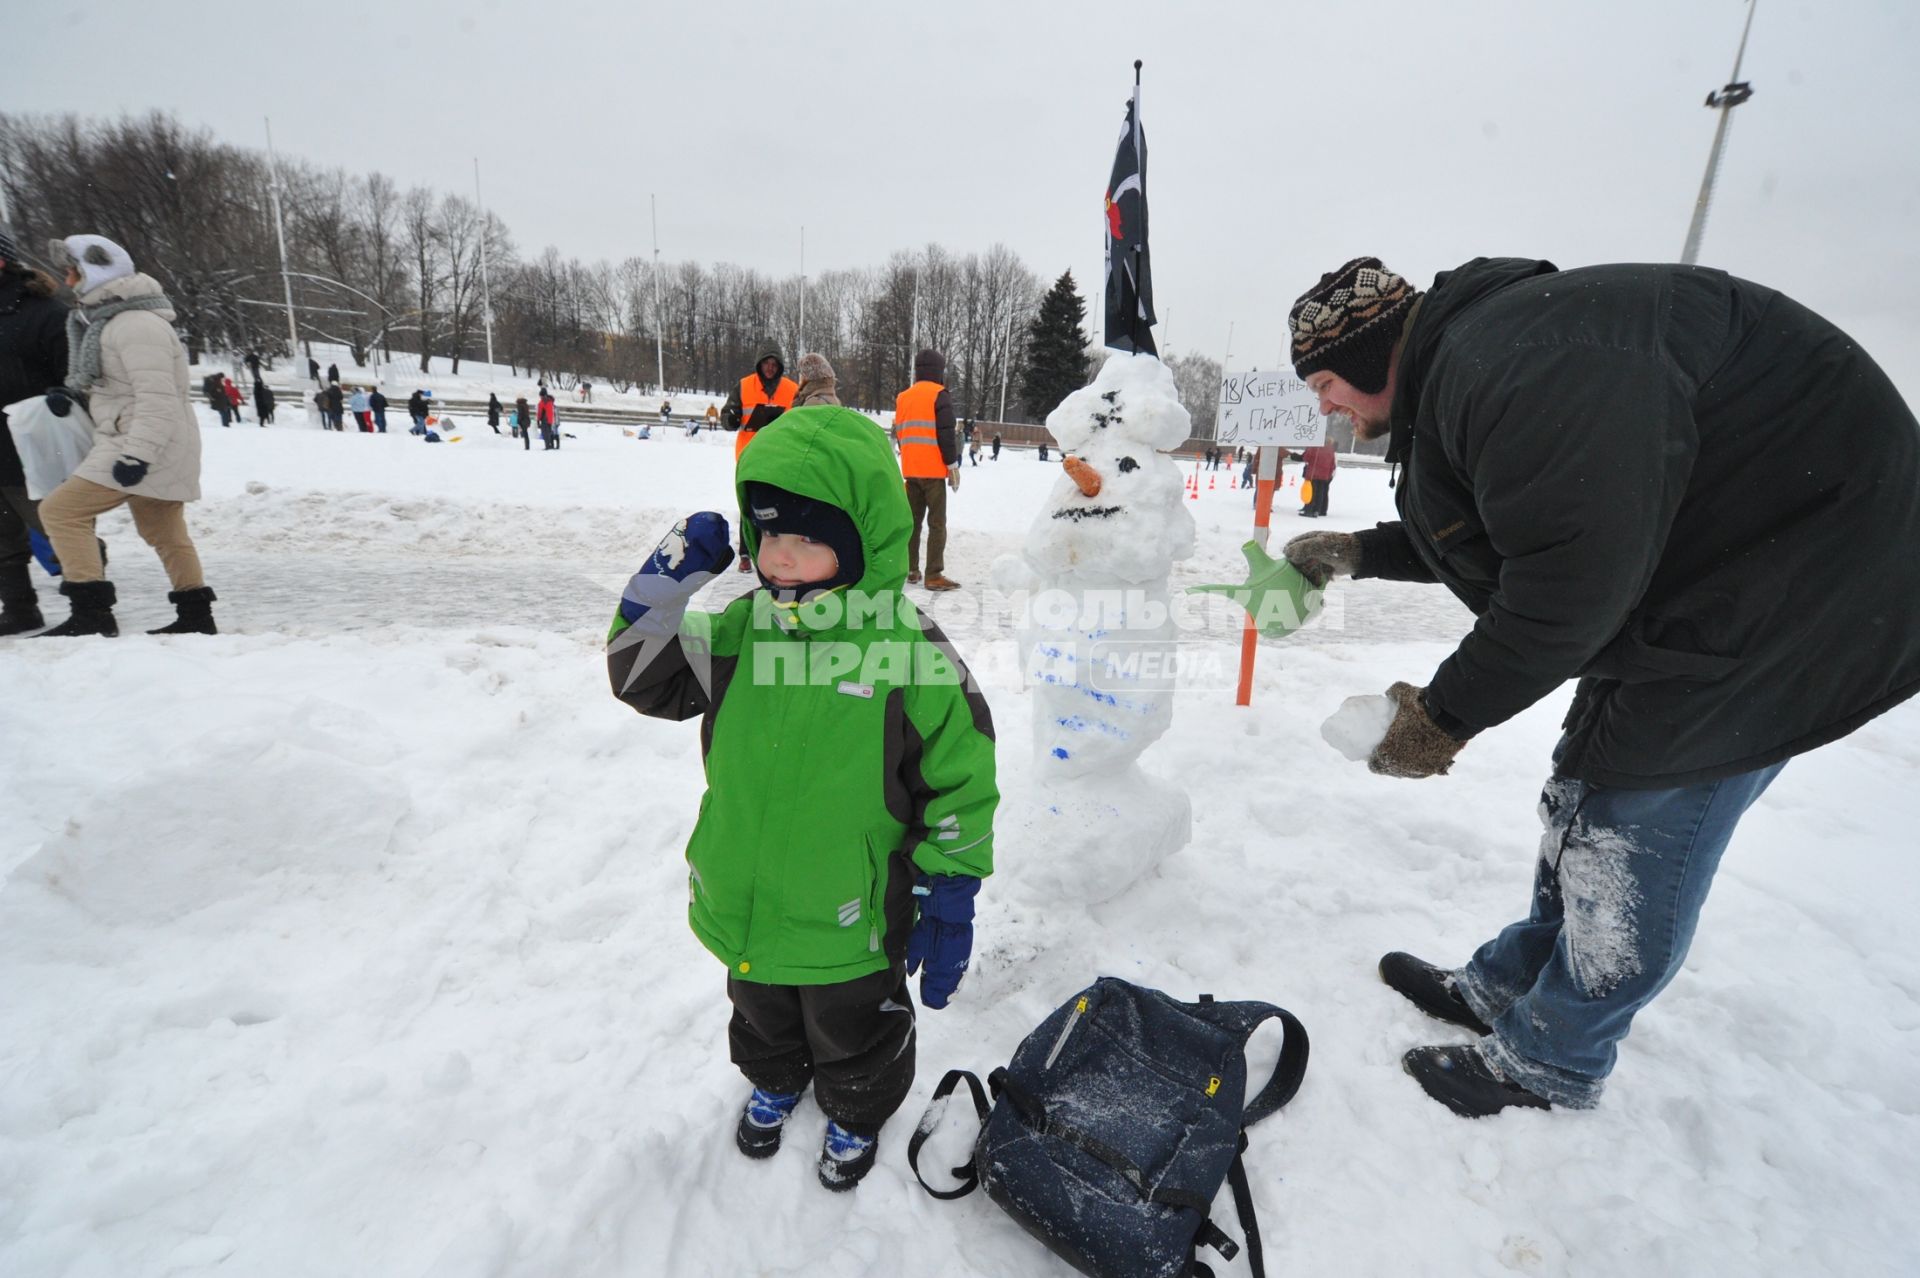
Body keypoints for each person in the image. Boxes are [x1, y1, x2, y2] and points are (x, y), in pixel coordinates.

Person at [1217, 254, 1920, 1118]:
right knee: (1586, 789)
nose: (1322, 404)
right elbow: (1503, 521)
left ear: (1369, 357)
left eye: (1326, 382)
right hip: (1709, 576)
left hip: (1806, 591)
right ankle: (1509, 985)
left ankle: (1555, 1057)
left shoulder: (1515, 365)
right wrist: (1361, 551)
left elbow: (1565, 591)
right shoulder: (1471, 368)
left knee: (1639, 817)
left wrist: (1437, 718)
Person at [604, 406, 997, 1191]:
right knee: (759, 1007)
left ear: (860, 540)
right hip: (745, 890)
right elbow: (642, 678)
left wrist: (951, 884)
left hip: (850, 907)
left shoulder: (908, 651)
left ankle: (855, 1109)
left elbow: (963, 771)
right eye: (767, 534)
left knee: (852, 1024)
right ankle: (776, 1077)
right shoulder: (743, 630)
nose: (778, 556)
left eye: (806, 539)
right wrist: (663, 585)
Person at [36, 234, 218, 636]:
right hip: (143, 438)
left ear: (96, 272)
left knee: (60, 512)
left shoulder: (134, 324)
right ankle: (196, 617)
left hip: (142, 442)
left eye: (73, 271)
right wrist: (73, 395)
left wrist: (137, 455)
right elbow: (119, 386)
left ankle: (92, 613)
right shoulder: (109, 321)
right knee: (164, 531)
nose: (68, 281)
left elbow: (157, 397)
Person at [0, 229, 72, 636]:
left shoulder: (44, 312)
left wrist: (59, 396)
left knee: (56, 526)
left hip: (31, 445)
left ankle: (88, 600)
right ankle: (19, 608)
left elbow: (70, 375)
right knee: (2, 537)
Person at [893, 348, 962, 590]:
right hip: (933, 473)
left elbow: (900, 433)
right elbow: (946, 434)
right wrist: (952, 465)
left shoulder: (903, 397)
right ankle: (933, 574)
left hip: (910, 471)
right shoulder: (939, 394)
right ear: (938, 371)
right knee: (937, 523)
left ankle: (911, 570)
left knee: (912, 523)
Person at [721, 352, 797, 570]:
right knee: (749, 507)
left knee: (777, 507)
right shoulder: (744, 386)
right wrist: (731, 417)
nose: (770, 368)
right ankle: (745, 554)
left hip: (781, 456)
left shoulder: (791, 389)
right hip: (750, 456)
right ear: (759, 364)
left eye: (775, 364)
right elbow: (727, 417)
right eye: (767, 363)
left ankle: (773, 554)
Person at [1297, 442, 1336, 516]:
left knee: (1312, 492)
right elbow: (1332, 463)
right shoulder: (1330, 448)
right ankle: (1317, 510)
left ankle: (1309, 510)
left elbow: (1306, 457)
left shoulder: (1314, 446)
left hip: (1313, 474)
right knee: (1320, 492)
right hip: (1324, 474)